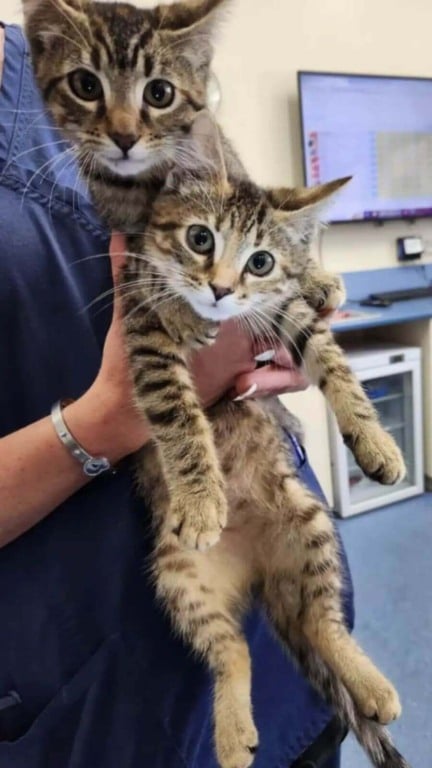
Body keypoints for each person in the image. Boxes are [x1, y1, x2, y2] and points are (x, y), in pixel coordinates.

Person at [0, 22, 353, 768]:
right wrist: (103, 423)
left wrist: (282, 315)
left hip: (281, 599)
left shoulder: (106, 54)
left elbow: (253, 230)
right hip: (96, 687)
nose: (127, 125)